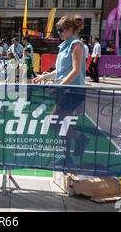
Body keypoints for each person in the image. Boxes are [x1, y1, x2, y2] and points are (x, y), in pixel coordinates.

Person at [32, 15, 88, 166]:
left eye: (61, 30)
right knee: (63, 125)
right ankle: (67, 155)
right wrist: (43, 77)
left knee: (54, 123)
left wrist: (59, 85)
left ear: (70, 29)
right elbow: (60, 70)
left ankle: (80, 140)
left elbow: (76, 71)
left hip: (72, 91)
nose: (59, 33)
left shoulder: (76, 45)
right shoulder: (65, 45)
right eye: (58, 30)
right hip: (65, 90)